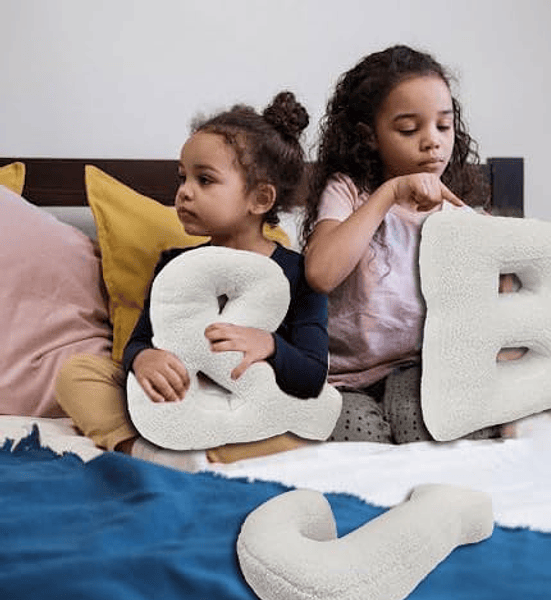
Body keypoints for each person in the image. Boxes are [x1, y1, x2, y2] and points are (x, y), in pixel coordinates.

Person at [56, 91, 328, 466]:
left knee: (298, 432)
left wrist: (269, 344)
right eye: (182, 178)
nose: (184, 192)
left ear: (261, 199)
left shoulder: (300, 276)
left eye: (205, 180)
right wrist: (143, 358)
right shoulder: (174, 266)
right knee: (78, 373)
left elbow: (312, 376)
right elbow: (137, 342)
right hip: (178, 397)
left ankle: (192, 451)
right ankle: (139, 451)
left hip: (245, 407)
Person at [302, 44, 521, 444]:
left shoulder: (456, 215)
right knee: (360, 437)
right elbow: (320, 273)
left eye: (443, 126)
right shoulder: (348, 192)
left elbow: (501, 312)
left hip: (421, 369)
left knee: (430, 430)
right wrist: (387, 194)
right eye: (409, 129)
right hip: (344, 379)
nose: (432, 142)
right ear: (369, 137)